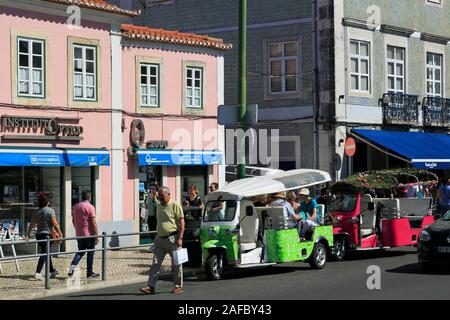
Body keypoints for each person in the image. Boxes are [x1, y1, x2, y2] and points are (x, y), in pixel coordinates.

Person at [140, 186, 185, 295]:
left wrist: (180, 238)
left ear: (169, 195)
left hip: (172, 238)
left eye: (162, 196)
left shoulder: (175, 205)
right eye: (159, 196)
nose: (160, 198)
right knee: (155, 263)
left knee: (176, 264)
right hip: (160, 239)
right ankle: (151, 287)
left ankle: (178, 286)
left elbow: (182, 223)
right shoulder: (159, 205)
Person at [25, 193, 62, 280]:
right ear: (47, 202)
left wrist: (27, 235)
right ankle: (37, 272)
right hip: (47, 235)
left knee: (46, 252)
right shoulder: (50, 210)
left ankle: (51, 270)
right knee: (45, 252)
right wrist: (60, 233)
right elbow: (55, 224)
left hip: (39, 235)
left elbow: (32, 225)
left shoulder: (36, 212)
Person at [68, 190, 100, 279]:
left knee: (80, 251)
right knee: (90, 253)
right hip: (89, 234)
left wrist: (78, 229)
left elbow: (73, 220)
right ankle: (89, 273)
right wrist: (96, 236)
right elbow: (93, 222)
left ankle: (71, 269)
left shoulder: (75, 207)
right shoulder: (90, 207)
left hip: (79, 234)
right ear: (90, 197)